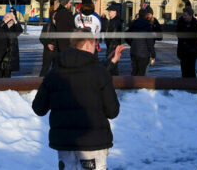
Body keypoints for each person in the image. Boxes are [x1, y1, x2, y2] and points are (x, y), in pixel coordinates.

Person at [32, 29, 126, 170]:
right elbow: (112, 111)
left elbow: (39, 108)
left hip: (64, 143)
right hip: (93, 142)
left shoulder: (54, 73)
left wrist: (111, 62)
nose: (96, 48)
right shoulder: (100, 74)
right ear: (88, 44)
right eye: (94, 44)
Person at [176, 4, 197, 78]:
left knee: (191, 71)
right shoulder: (180, 22)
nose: (184, 17)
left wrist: (192, 47)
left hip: (192, 52)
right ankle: (184, 86)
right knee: (184, 71)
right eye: (183, 15)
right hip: (182, 51)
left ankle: (191, 86)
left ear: (190, 15)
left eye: (185, 15)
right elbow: (178, 35)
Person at [126, 8, 155, 76]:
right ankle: (138, 86)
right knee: (141, 73)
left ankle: (132, 85)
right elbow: (149, 42)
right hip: (144, 53)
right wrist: (153, 54)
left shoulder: (133, 24)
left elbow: (127, 36)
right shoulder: (147, 26)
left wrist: (132, 43)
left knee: (134, 71)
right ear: (145, 15)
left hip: (134, 51)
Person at [104, 2, 123, 76]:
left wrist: (110, 48)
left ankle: (115, 82)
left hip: (113, 47)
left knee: (112, 66)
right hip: (112, 46)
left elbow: (114, 37)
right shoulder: (113, 21)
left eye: (110, 11)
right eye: (108, 11)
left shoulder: (116, 22)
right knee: (112, 66)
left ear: (115, 12)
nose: (108, 13)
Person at [39, 8, 59, 77]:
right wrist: (47, 44)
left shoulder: (60, 25)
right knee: (45, 69)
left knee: (56, 70)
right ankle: (40, 84)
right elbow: (41, 38)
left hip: (57, 51)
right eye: (54, 15)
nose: (55, 17)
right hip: (48, 51)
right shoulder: (47, 25)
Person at [3, 11, 23, 77]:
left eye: (9, 17)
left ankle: (7, 84)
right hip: (2, 49)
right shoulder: (2, 25)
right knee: (1, 70)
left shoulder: (14, 26)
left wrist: (15, 20)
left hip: (11, 50)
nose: (8, 18)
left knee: (8, 70)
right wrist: (6, 21)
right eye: (6, 17)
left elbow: (20, 31)